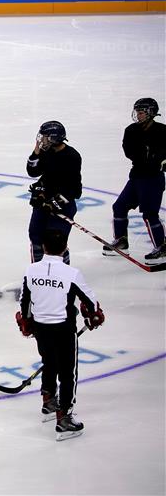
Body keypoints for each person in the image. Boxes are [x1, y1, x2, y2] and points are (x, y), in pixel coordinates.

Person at [17, 229, 106, 441]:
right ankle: (64, 418)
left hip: (41, 327)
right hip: (63, 329)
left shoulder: (31, 270)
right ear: (65, 248)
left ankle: (48, 401)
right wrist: (94, 316)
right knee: (67, 373)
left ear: (43, 247)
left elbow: (24, 302)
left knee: (49, 362)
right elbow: (90, 303)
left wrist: (26, 322)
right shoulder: (71, 273)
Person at [103, 98, 166, 265]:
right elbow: (130, 152)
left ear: (151, 112)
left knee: (150, 213)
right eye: (137, 111)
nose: (138, 115)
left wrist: (157, 159)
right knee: (119, 206)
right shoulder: (131, 130)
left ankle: (162, 247)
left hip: (153, 179)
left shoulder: (162, 131)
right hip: (137, 176)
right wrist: (150, 157)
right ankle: (121, 241)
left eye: (141, 112)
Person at [26, 120, 82, 264]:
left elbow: (74, 189)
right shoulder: (46, 152)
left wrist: (55, 203)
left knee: (55, 244)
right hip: (43, 203)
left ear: (54, 138)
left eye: (45, 136)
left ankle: (62, 275)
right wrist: (36, 152)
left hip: (63, 206)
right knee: (35, 237)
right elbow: (33, 172)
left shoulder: (72, 156)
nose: (42, 140)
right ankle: (37, 271)